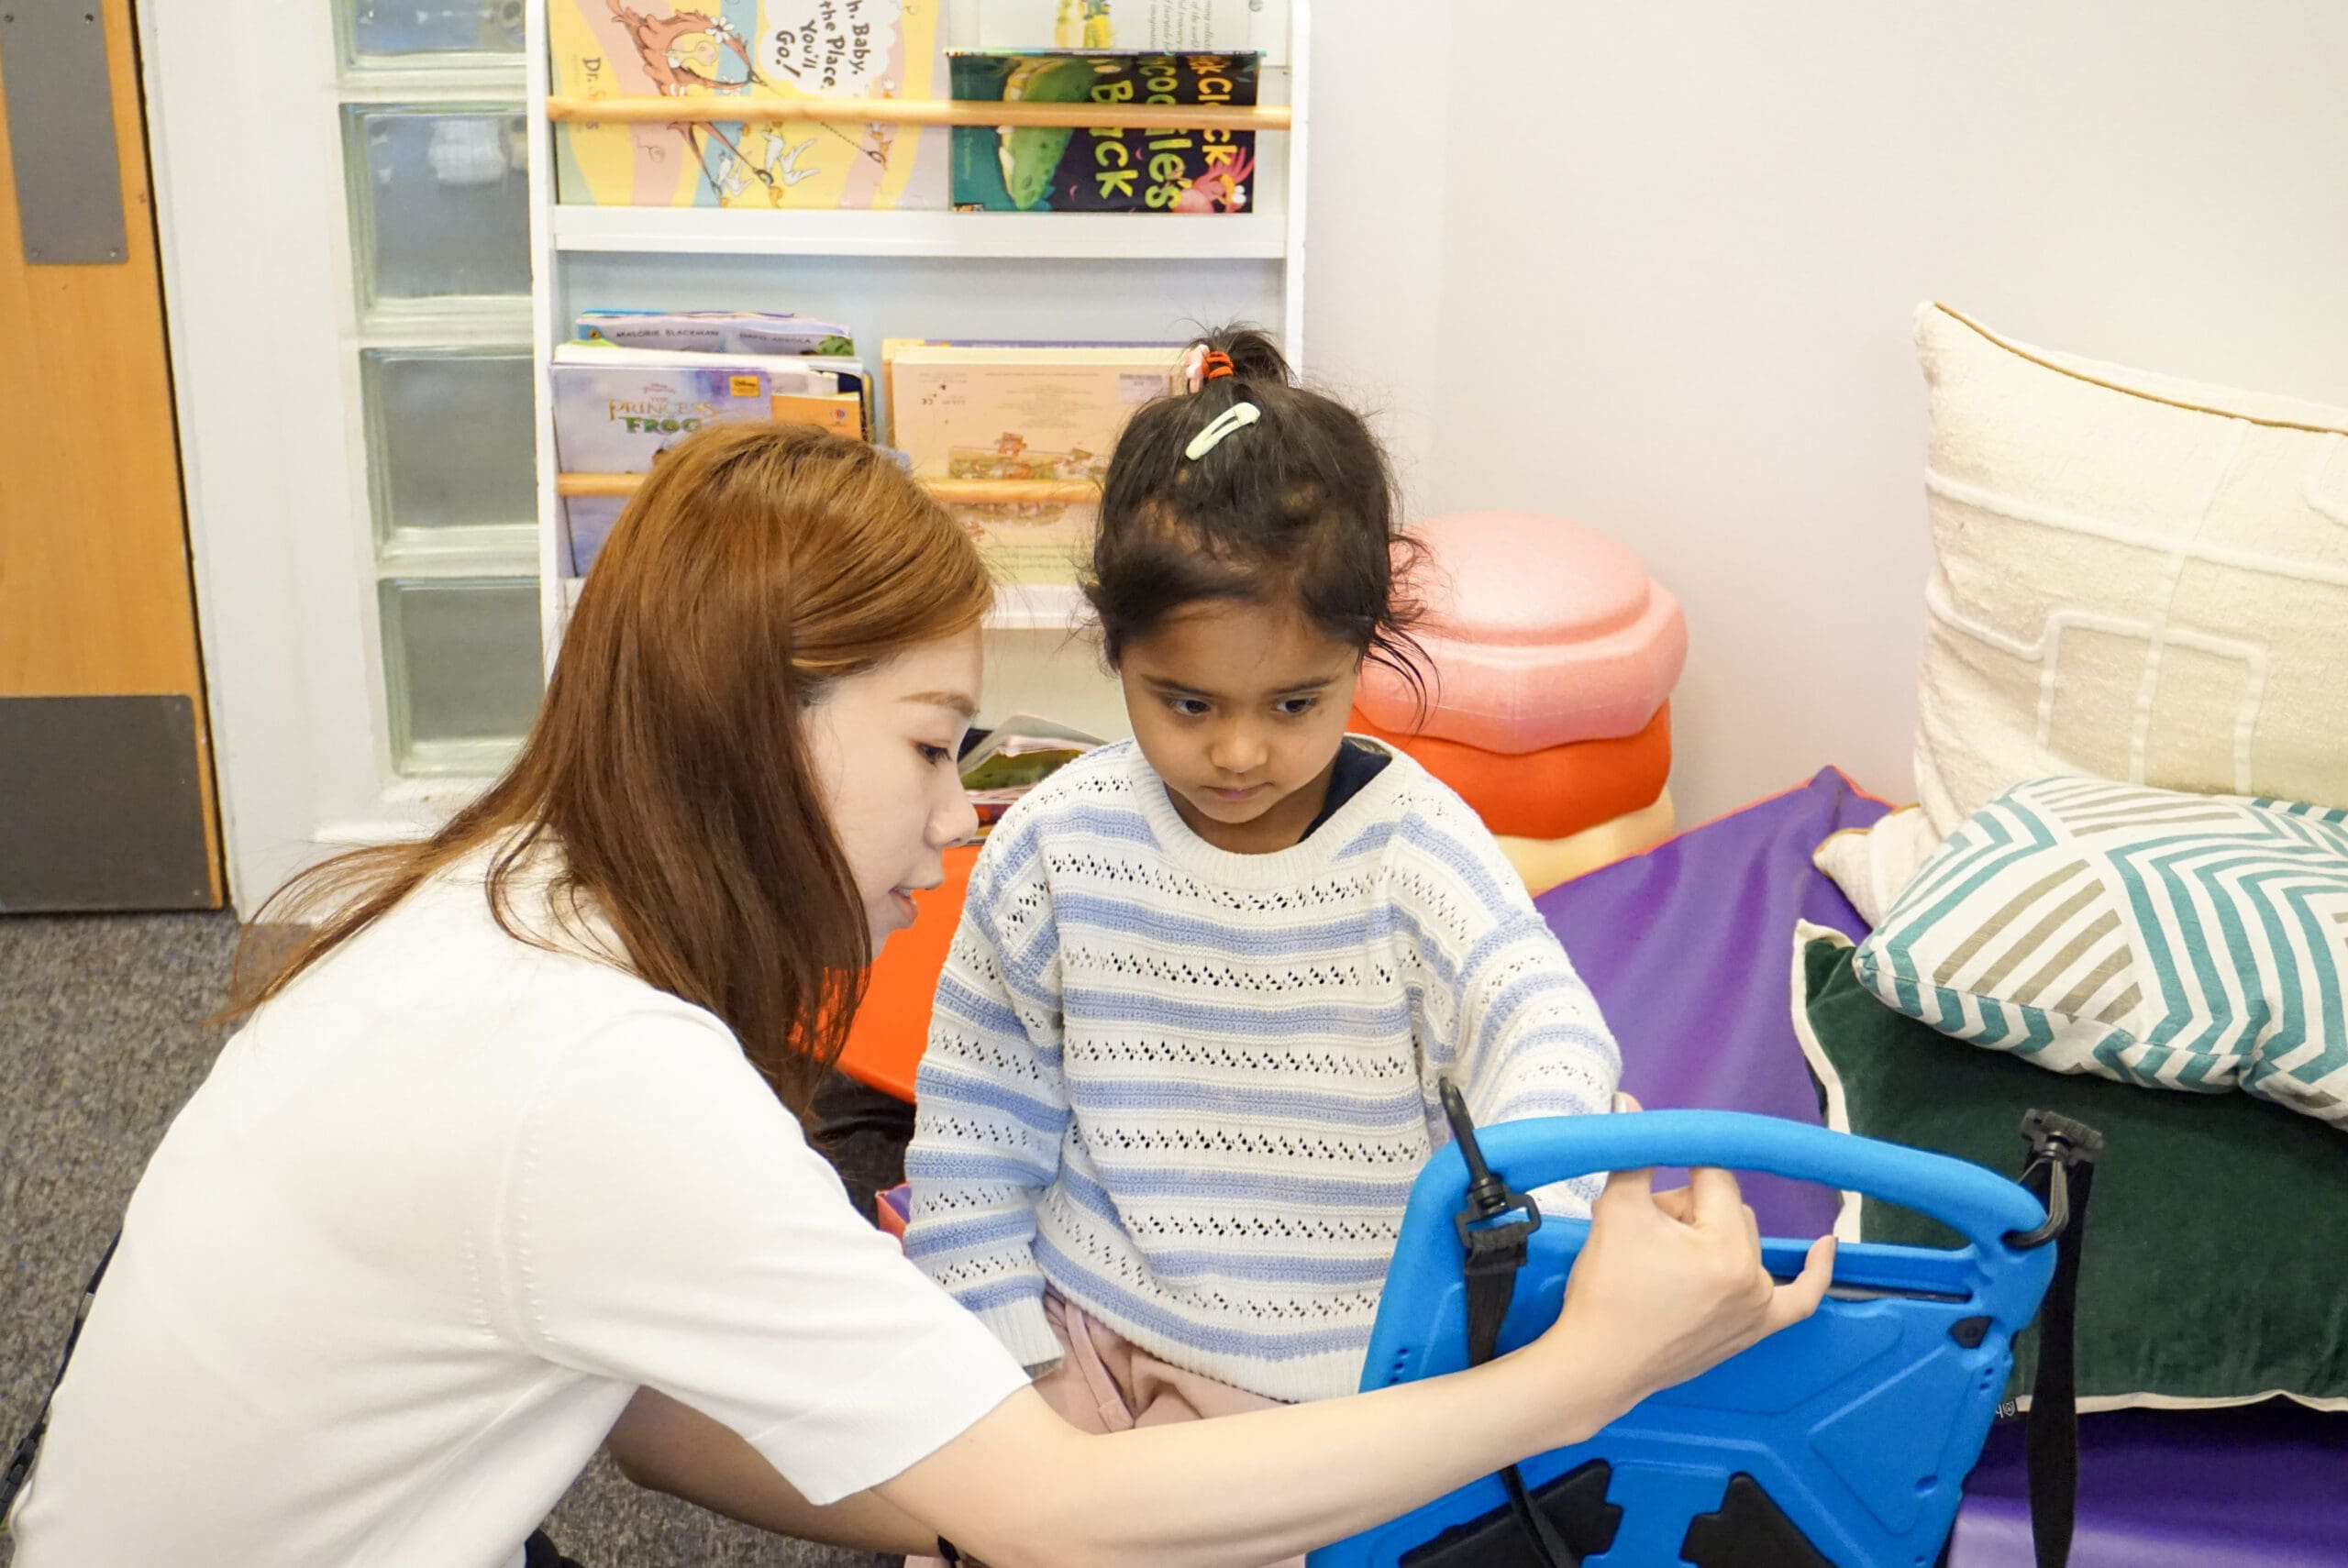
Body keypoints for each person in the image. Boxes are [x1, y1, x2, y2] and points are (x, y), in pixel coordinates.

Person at [6, 422, 1831, 1568]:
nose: (961, 813)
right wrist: (1588, 1370)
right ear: (758, 726)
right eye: (932, 744)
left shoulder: (504, 902)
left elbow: (625, 1389)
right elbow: (1066, 1511)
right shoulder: (605, 1079)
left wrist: (970, 1491)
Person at [900, 334, 1623, 1531]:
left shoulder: (1415, 850)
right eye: (1187, 703)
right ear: (1116, 649)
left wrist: (1537, 1217)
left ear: (1362, 653)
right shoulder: (1051, 843)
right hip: (1082, 1331)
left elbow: (1542, 1023)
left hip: (1318, 1378)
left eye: (1297, 704)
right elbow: (979, 1118)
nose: (1240, 752)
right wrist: (996, 1345)